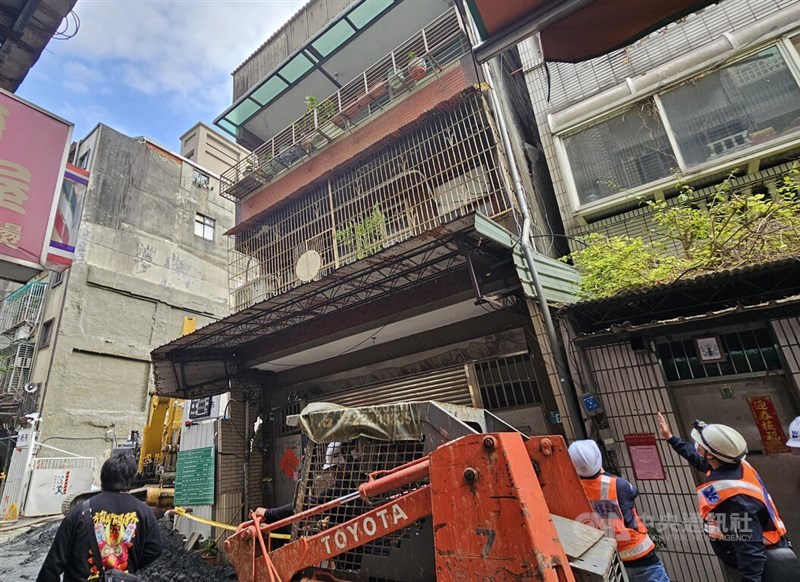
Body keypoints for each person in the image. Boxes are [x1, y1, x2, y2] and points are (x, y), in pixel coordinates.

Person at [657, 412, 798, 582]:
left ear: (710, 454)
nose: (696, 445)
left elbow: (748, 547)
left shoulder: (732, 498)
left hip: (761, 566)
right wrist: (671, 438)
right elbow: (699, 460)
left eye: (699, 444)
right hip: (764, 555)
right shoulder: (737, 465)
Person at [37, 451, 163, 581]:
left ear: (103, 479)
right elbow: (155, 549)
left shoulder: (80, 511)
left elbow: (53, 563)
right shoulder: (144, 512)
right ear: (131, 480)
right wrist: (132, 562)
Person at [568, 439, 670, 582]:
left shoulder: (573, 489)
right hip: (639, 556)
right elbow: (633, 492)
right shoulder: (618, 485)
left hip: (608, 560)